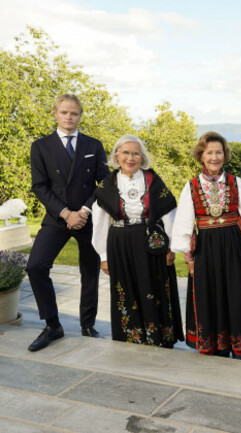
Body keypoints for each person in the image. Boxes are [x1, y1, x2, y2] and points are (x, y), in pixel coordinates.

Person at [171, 131, 241, 358]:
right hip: (205, 253)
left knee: (237, 299)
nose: (214, 157)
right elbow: (184, 225)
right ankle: (215, 351)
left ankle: (240, 349)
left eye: (219, 152)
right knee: (210, 299)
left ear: (225, 155)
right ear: (201, 156)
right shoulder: (191, 186)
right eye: (209, 153)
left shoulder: (237, 183)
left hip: (235, 251)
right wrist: (189, 259)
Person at [26, 94, 110, 352]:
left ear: (80, 115)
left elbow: (105, 182)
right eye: (64, 112)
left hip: (87, 216)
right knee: (36, 266)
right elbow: (39, 187)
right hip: (56, 217)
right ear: (55, 113)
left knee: (90, 273)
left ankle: (88, 325)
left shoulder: (93, 145)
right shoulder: (41, 146)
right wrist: (65, 213)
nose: (69, 117)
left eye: (74, 113)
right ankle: (53, 325)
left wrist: (84, 210)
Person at [91, 135, 183, 347]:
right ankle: (132, 337)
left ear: (142, 157)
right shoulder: (108, 185)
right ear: (116, 156)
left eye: (135, 153)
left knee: (153, 288)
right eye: (125, 152)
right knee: (127, 289)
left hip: (151, 243)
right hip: (120, 243)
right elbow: (100, 222)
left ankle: (158, 337)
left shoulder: (153, 180)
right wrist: (103, 256)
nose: (130, 158)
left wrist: (171, 247)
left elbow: (168, 213)